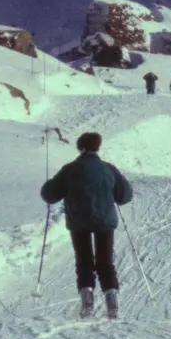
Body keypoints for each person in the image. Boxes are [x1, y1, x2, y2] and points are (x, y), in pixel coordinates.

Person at [40, 131, 133, 319]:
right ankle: (112, 304)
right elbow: (124, 196)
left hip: (79, 221)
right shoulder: (109, 169)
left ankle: (87, 303)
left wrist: (48, 185)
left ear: (80, 148)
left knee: (84, 260)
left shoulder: (69, 169)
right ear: (97, 147)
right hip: (105, 221)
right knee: (105, 260)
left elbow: (51, 195)